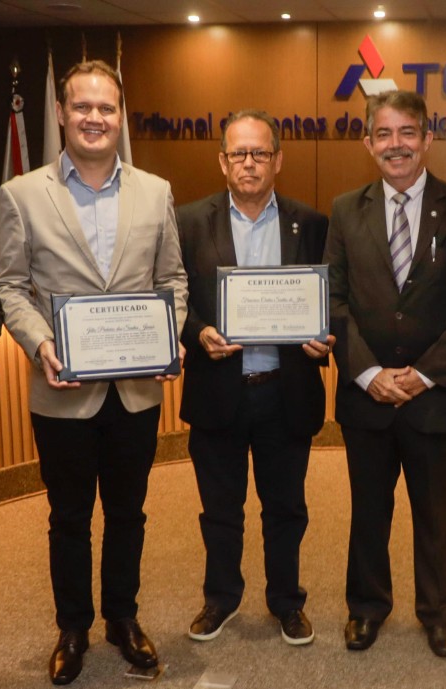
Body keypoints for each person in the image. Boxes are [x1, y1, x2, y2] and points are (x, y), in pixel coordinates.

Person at [0, 60, 187, 685]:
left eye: (106, 108)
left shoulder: (155, 191)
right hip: (61, 390)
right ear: (62, 114)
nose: (95, 118)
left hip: (135, 392)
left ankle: (123, 620)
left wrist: (167, 334)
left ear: (120, 115)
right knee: (69, 517)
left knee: (129, 513)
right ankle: (72, 626)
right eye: (83, 107)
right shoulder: (22, 194)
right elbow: (12, 287)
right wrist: (40, 342)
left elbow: (172, 280)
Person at [323, 90, 446, 659]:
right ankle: (366, 607)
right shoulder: (346, 209)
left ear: (427, 138)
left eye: (407, 133)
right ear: (368, 143)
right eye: (384, 134)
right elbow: (334, 301)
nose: (396, 145)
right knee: (368, 508)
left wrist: (422, 375)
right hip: (366, 396)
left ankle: (437, 611)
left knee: (434, 511)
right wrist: (369, 373)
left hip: (433, 397)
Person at [176, 109, 332, 646]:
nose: (249, 163)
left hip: (284, 392)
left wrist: (323, 337)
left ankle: (287, 601)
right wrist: (197, 334)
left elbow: (327, 302)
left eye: (259, 153)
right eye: (238, 153)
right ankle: (220, 598)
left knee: (286, 507)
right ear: (222, 161)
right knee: (221, 509)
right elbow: (173, 299)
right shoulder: (188, 221)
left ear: (278, 160)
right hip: (218, 390)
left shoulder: (309, 223)